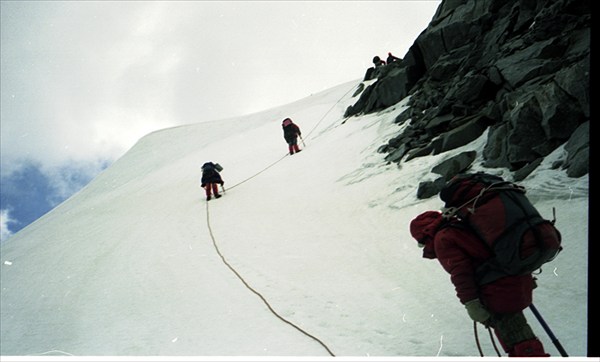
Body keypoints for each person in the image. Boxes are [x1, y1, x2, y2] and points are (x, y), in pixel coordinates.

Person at [409, 210, 550, 357]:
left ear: (424, 235)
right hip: (514, 280)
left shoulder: (443, 239)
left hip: (497, 291)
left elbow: (461, 274)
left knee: (520, 341)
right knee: (517, 335)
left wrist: (471, 303)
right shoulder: (463, 225)